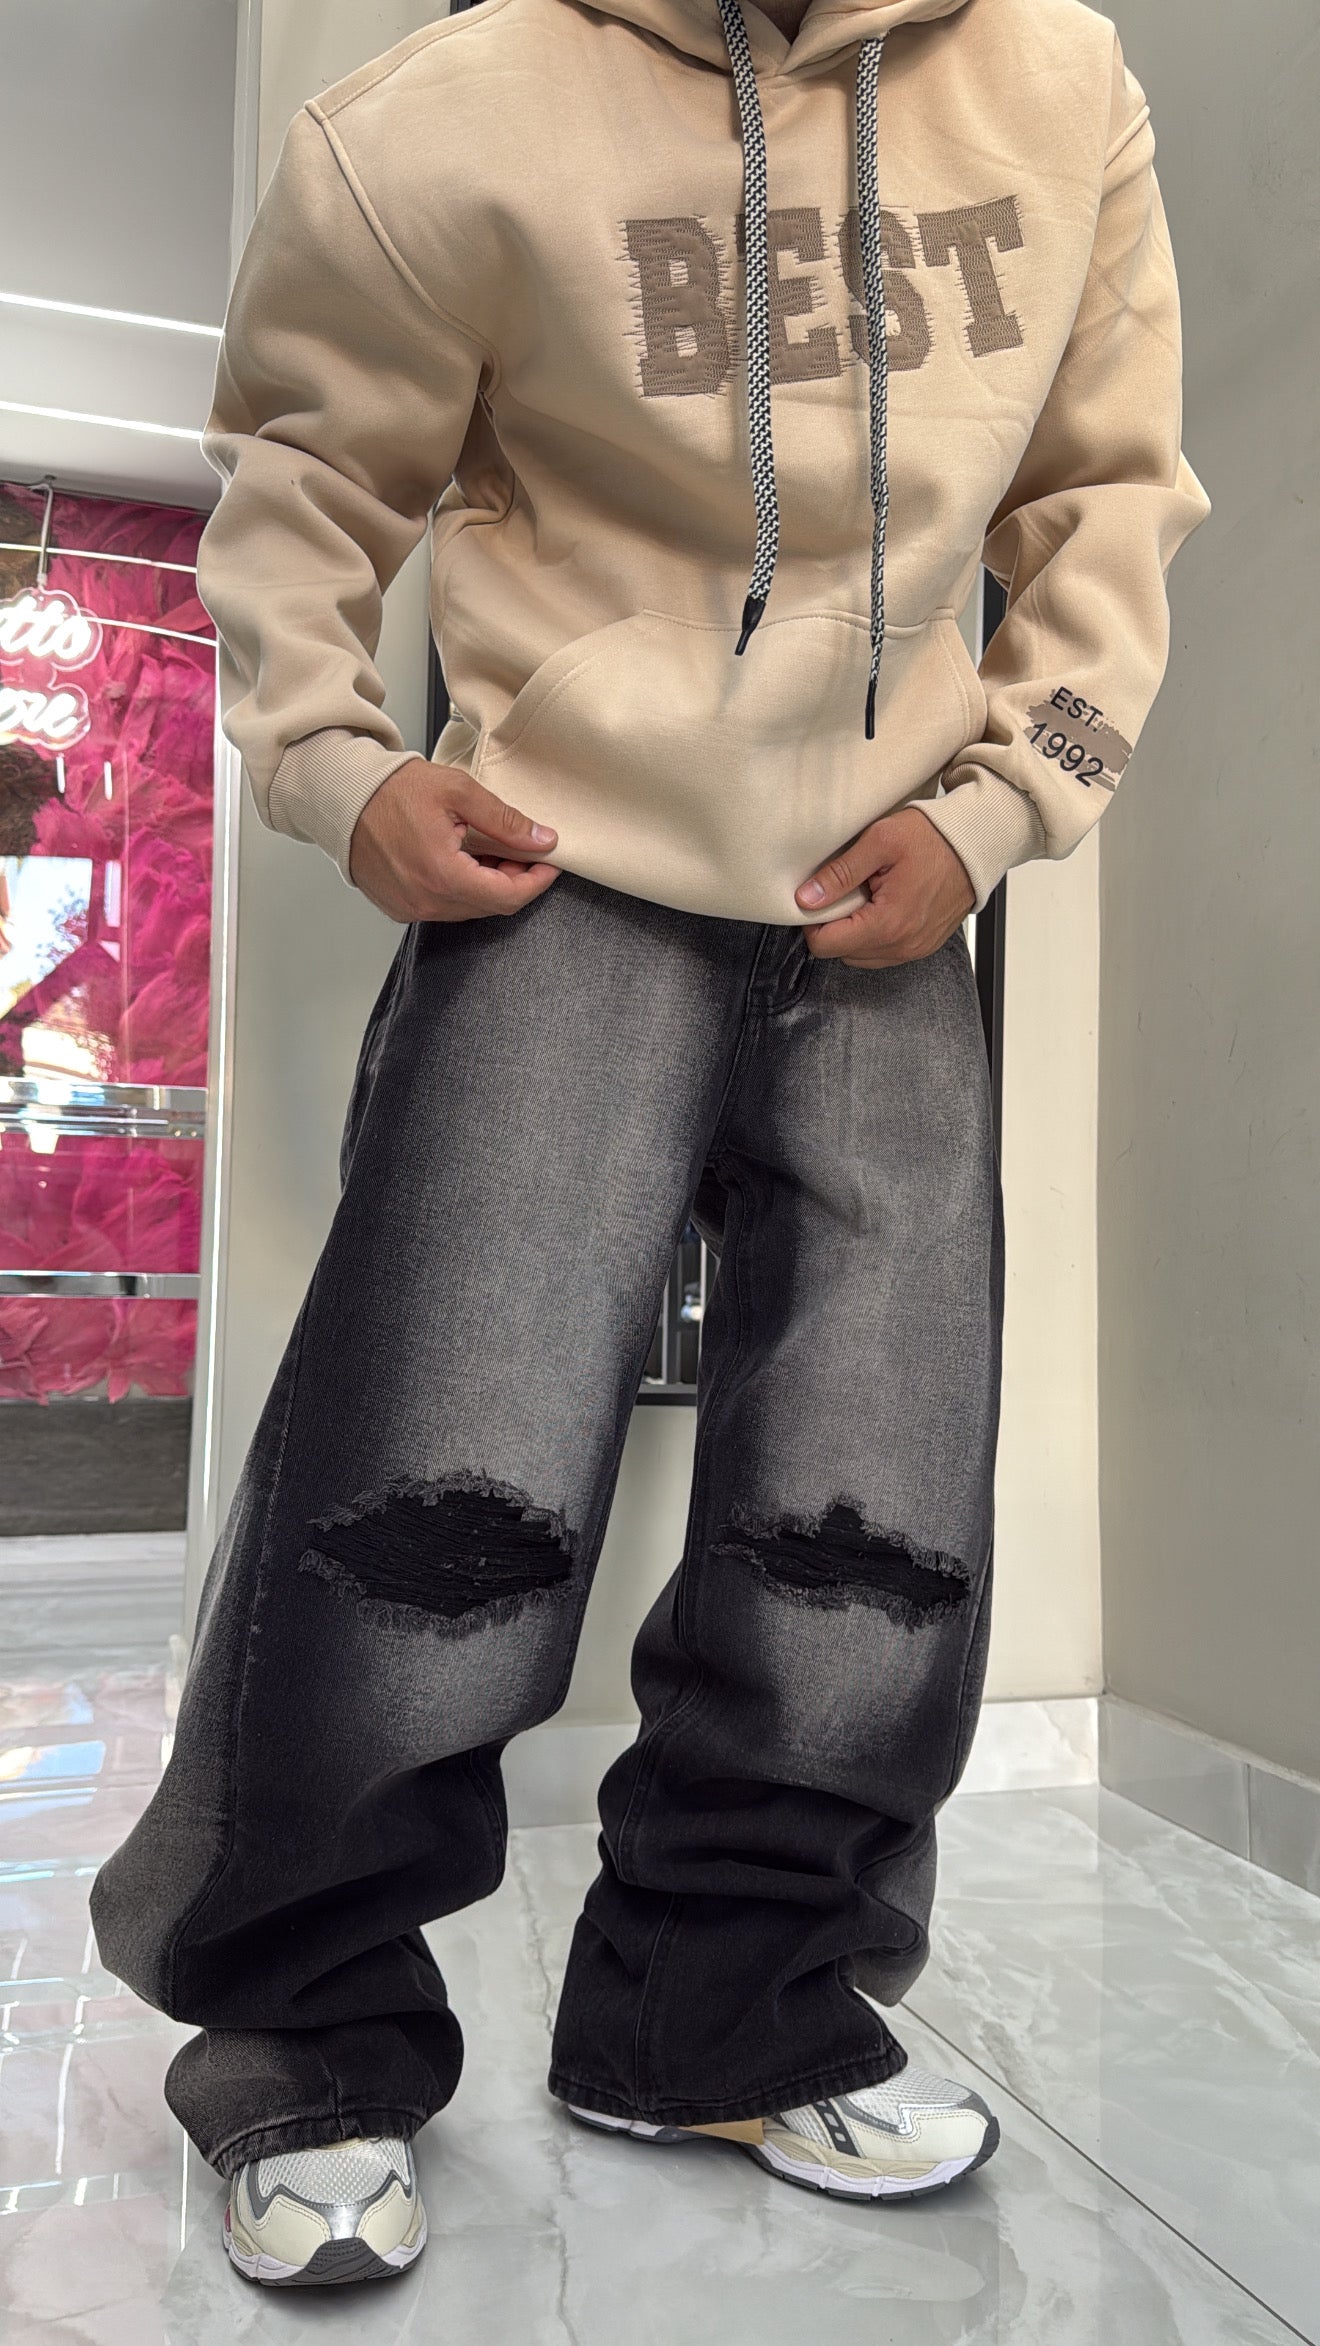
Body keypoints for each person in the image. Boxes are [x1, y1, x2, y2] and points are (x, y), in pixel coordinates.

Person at [90, 0, 1209, 2289]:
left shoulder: (1061, 83)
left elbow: (1106, 491)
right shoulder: (436, 123)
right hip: (558, 868)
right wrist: (337, 764)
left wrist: (1009, 801)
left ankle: (725, 2016)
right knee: (436, 1488)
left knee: (872, 1518)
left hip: (895, 880)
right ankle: (305, 2037)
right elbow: (306, 487)